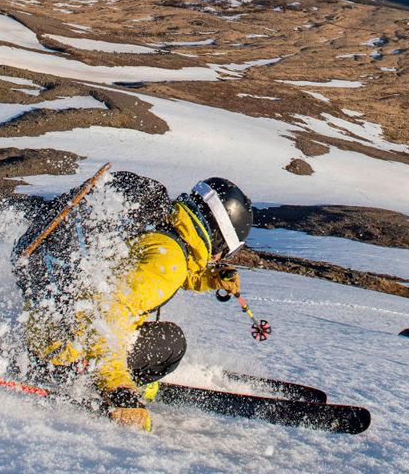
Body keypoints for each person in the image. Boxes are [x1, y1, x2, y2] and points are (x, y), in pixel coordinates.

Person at [15, 174, 253, 433]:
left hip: (48, 331)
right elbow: (105, 309)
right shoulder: (170, 260)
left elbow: (151, 269)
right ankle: (102, 378)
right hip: (64, 357)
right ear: (218, 234)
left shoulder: (162, 227)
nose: (218, 258)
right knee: (170, 342)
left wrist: (209, 279)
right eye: (225, 250)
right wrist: (118, 388)